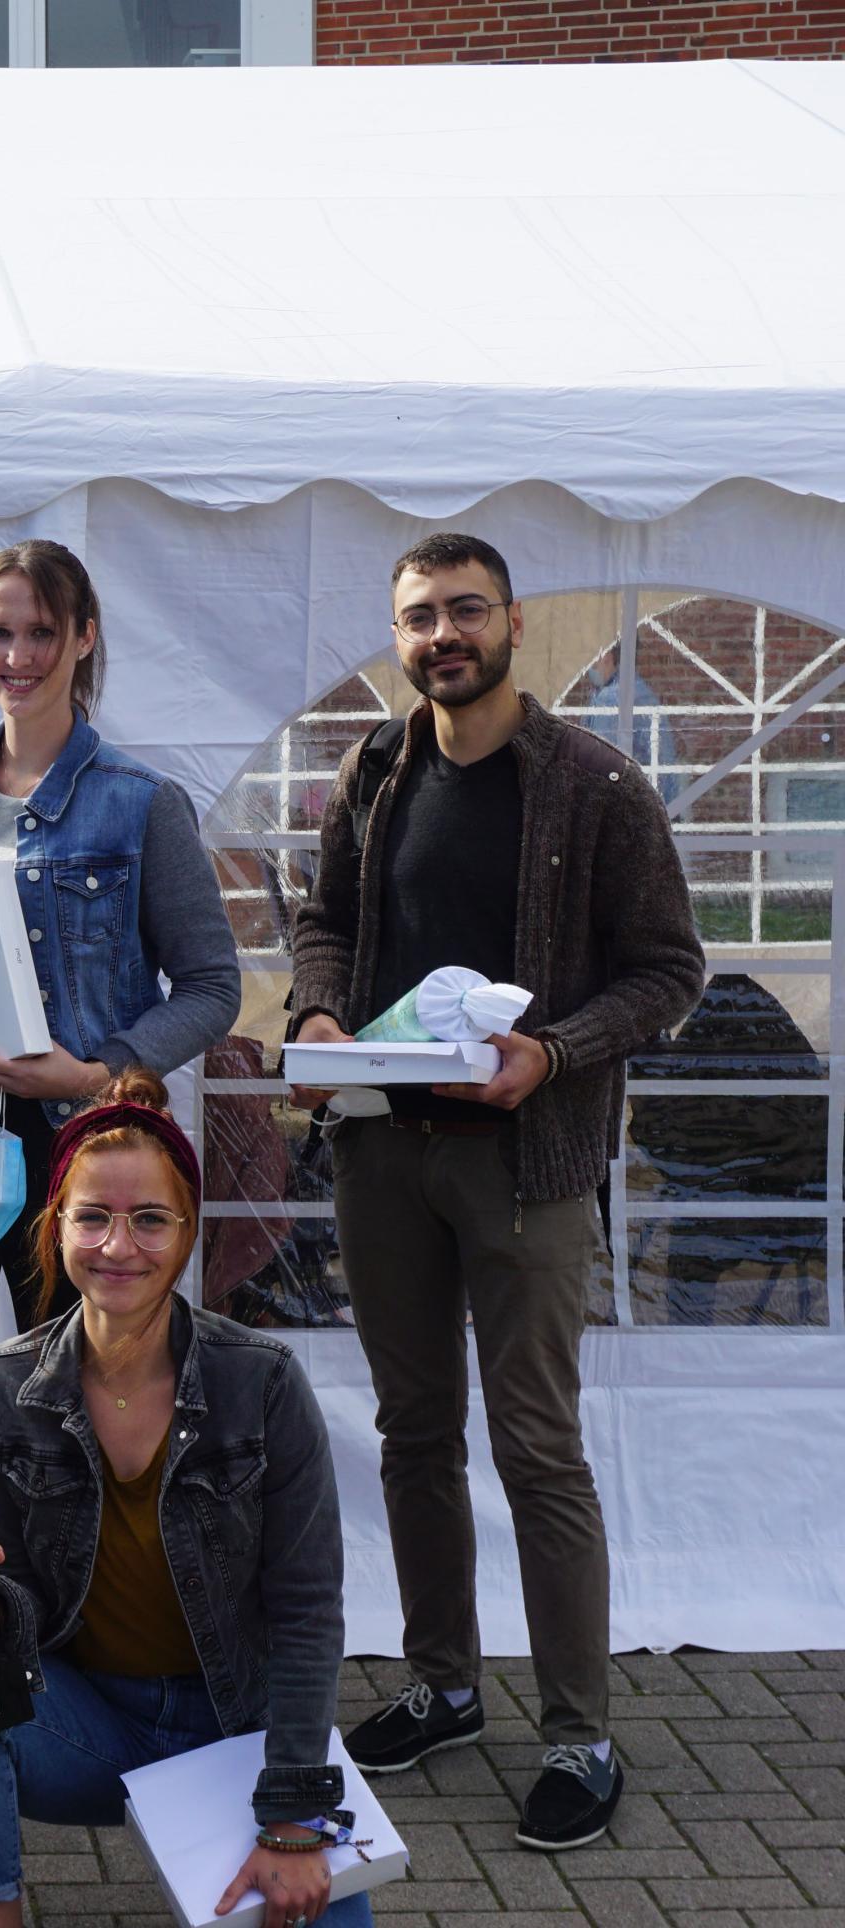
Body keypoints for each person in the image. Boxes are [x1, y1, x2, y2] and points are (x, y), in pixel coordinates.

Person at [288, 531, 705, 1850]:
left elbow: (669, 970)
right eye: (420, 615)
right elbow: (326, 921)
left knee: (535, 1445)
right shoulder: (373, 767)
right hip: (380, 1149)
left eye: (465, 610)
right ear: (398, 635)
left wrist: (554, 1051)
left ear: (513, 622)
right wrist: (316, 1009)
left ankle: (578, 1732)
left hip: (526, 1161)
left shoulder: (594, 784)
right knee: (413, 1431)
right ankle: (444, 1685)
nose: (443, 634)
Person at [0, 1070, 372, 1928]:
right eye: (92, 1217)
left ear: (186, 1233)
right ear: (56, 1226)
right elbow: (26, 1600)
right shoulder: (2, 1387)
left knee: (314, 1909)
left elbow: (306, 1613)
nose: (118, 1246)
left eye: (149, 1218)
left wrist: (293, 1817)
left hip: (239, 1732)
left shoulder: (262, 1383)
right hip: (91, 1727)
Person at [0, 539, 240, 1531]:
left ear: (83, 638)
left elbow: (212, 987)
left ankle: (62, 1609)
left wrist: (98, 1068)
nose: (17, 655)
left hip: (76, 1143)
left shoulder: (139, 802)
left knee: (78, 1404)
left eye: (40, 632)